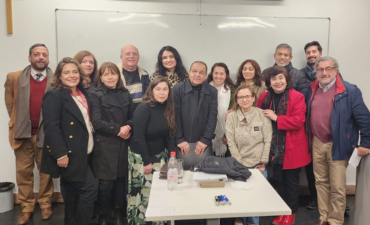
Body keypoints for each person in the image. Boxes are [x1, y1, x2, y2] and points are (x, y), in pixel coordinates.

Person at [304, 56, 370, 225]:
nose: (324, 72)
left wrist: (366, 143)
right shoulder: (310, 89)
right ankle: (323, 216)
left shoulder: (350, 91)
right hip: (317, 142)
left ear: (335, 70)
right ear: (316, 72)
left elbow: (364, 119)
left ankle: (335, 220)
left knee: (338, 186)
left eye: (328, 69)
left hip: (339, 143)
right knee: (320, 182)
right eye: (320, 69)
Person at [41, 57, 97, 225]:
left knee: (71, 195)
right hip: (69, 154)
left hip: (85, 151)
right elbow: (51, 128)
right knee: (90, 189)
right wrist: (60, 154)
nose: (72, 75)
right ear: (59, 76)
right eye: (66, 72)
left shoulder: (82, 93)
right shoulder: (54, 95)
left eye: (75, 72)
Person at [4, 43, 54, 225]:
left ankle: (46, 204)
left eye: (44, 55)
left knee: (46, 172)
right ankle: (26, 208)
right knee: (23, 173)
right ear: (29, 57)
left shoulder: (55, 79)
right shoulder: (15, 77)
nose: (41, 57)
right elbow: (10, 104)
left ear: (48, 59)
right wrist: (20, 122)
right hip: (22, 135)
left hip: (46, 135)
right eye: (37, 54)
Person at [257, 66, 311, 225]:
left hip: (291, 147)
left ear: (287, 79)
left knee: (291, 183)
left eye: (280, 78)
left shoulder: (297, 96)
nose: (277, 81)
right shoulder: (265, 96)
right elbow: (258, 116)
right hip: (271, 148)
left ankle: (291, 213)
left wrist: (276, 117)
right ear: (269, 81)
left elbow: (298, 121)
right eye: (274, 79)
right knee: (278, 181)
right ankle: (282, 211)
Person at [90, 62, 134, 225]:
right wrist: (118, 130)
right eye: (106, 74)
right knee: (105, 184)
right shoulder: (96, 94)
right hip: (104, 145)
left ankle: (119, 214)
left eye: (113, 73)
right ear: (100, 77)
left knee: (121, 182)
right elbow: (96, 122)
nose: (110, 77)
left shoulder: (124, 93)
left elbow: (133, 115)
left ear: (118, 75)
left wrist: (128, 126)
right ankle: (103, 215)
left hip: (123, 144)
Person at [127, 77, 176, 224]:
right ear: (151, 90)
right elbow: (139, 137)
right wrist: (147, 162)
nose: (162, 92)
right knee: (145, 195)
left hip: (160, 156)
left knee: (161, 195)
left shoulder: (168, 108)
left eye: (165, 89)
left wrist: (172, 158)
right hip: (142, 158)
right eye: (158, 89)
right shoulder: (144, 108)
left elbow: (170, 135)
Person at [226, 84, 272, 225]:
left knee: (255, 198)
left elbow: (267, 140)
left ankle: (252, 222)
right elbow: (231, 143)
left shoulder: (262, 114)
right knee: (240, 197)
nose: (244, 99)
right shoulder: (232, 117)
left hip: (259, 165)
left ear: (253, 98)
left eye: (247, 96)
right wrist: (240, 164)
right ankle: (239, 219)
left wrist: (263, 163)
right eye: (241, 97)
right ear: (237, 100)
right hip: (239, 165)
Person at [173, 61, 218, 156]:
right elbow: (174, 116)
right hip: (181, 143)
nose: (197, 75)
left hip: (203, 143)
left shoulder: (212, 91)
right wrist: (179, 139)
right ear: (189, 72)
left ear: (206, 75)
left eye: (201, 72)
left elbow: (212, 117)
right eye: (194, 71)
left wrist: (205, 139)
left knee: (204, 169)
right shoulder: (177, 89)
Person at [206, 62, 235, 157]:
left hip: (226, 135)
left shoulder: (233, 91)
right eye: (216, 73)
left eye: (222, 74)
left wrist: (228, 136)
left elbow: (234, 115)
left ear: (226, 75)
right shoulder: (204, 89)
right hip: (206, 135)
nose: (218, 76)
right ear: (212, 74)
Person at [117, 44, 150, 108]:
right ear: (121, 57)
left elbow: (148, 97)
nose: (131, 56)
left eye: (134, 54)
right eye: (127, 54)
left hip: (141, 113)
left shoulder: (145, 75)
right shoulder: (115, 75)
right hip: (123, 114)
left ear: (138, 57)